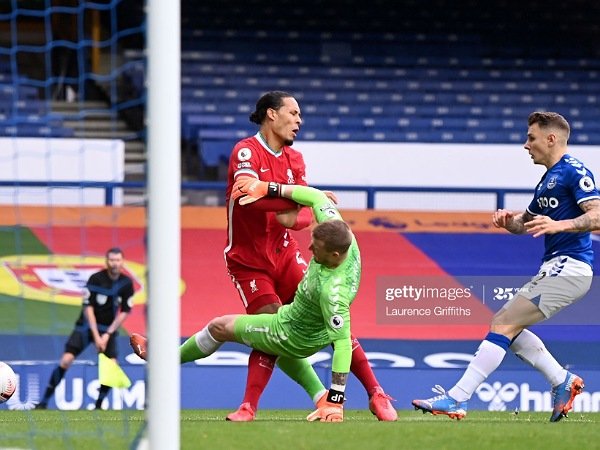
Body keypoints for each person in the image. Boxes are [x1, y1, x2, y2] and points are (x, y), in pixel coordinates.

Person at [412, 111, 600, 422]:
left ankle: (457, 398)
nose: (526, 145)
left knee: (502, 324)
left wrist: (560, 225)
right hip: (556, 268)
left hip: (570, 268)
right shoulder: (547, 182)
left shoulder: (574, 171)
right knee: (507, 326)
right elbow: (523, 225)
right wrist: (507, 222)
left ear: (551, 139)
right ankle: (561, 381)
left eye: (531, 137)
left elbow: (597, 215)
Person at [220, 90, 396, 421]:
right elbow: (246, 191)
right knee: (272, 323)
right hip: (248, 260)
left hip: (284, 253)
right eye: (294, 113)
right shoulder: (246, 150)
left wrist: (300, 206)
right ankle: (251, 405)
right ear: (272, 114)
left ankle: (376, 392)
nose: (299, 120)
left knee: (327, 313)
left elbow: (294, 220)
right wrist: (299, 199)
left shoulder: (295, 160)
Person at [132, 180, 369, 422]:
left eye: (316, 248)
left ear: (335, 255)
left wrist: (336, 401)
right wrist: (268, 188)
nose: (309, 247)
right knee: (254, 325)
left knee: (219, 327)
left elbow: (342, 345)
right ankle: (324, 395)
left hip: (292, 333)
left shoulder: (333, 292)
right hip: (303, 321)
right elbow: (316, 196)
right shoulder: (341, 236)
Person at [35, 247, 135, 410]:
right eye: (112, 260)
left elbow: (125, 311)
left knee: (112, 366)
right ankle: (43, 402)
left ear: (122, 262)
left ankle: (98, 405)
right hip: (86, 326)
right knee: (66, 360)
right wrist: (96, 336)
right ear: (106, 261)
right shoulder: (96, 279)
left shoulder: (126, 283)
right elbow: (88, 308)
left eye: (118, 260)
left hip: (108, 330)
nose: (115, 264)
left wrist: (107, 334)